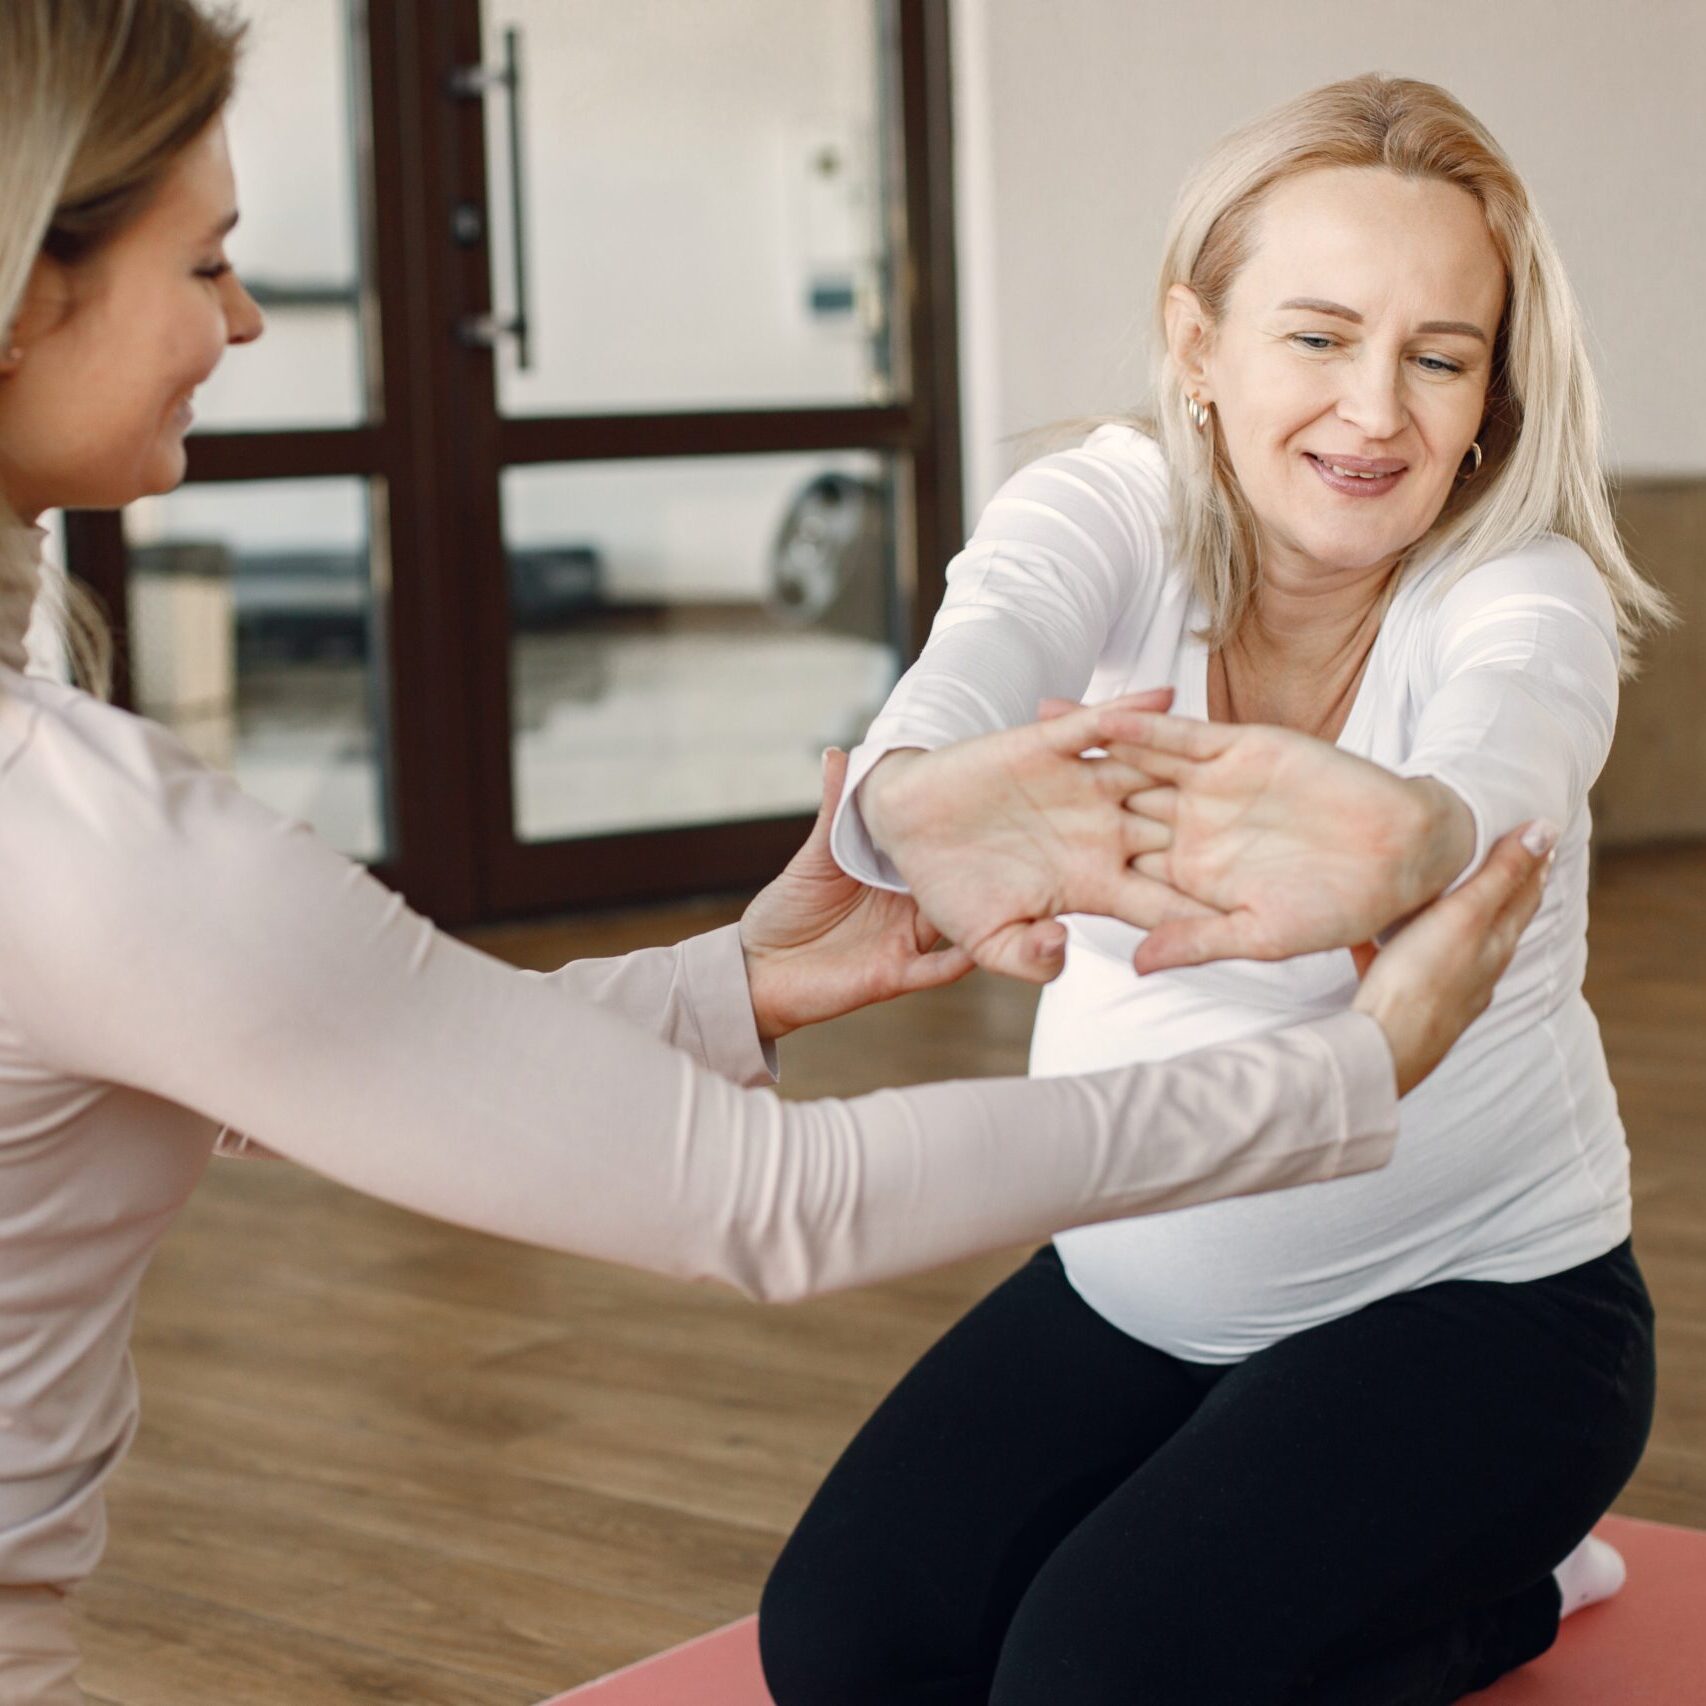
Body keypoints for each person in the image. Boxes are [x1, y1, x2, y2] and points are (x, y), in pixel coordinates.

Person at [0, 10, 1554, 1702]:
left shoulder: (79, 829)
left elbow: (291, 1073)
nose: (241, 316)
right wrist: (1347, 1068)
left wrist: (745, 978)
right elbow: (773, 1198)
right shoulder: (81, 834)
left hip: (1457, 1297)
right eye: (211, 260)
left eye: (1438, 353)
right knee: (896, 1648)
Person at [760, 73, 1664, 1706]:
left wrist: (1410, 836)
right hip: (1134, 1293)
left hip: (1489, 1314)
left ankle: (1504, 1592)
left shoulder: (1517, 588)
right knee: (842, 1654)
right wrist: (909, 802)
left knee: (1091, 1682)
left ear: (1490, 399)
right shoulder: (1105, 510)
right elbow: (971, 664)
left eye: (1438, 358)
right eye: (1315, 336)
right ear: (1198, 347)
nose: (1373, 412)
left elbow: (1509, 747)